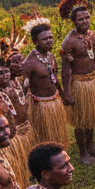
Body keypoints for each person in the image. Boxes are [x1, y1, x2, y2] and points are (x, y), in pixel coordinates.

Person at [59, 0, 95, 166]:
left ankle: (91, 147)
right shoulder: (69, 42)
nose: (85, 21)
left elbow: (94, 57)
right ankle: (82, 153)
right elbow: (66, 69)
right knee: (81, 119)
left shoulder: (92, 35)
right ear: (74, 21)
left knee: (91, 116)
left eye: (87, 17)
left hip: (92, 79)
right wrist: (68, 92)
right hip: (79, 82)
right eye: (81, 19)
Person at [21, 12, 70, 150]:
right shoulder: (29, 63)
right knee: (44, 137)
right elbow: (23, 90)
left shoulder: (50, 55)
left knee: (57, 132)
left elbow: (54, 78)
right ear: (35, 41)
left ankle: (58, 154)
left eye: (51, 37)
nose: (49, 41)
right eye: (45, 39)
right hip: (39, 105)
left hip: (54, 101)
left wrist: (63, 95)